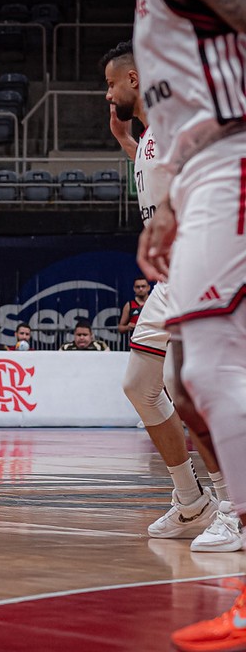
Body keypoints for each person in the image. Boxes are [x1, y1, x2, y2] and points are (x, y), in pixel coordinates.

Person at [113, 0, 246, 644]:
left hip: (233, 162)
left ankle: (225, 519)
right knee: (191, 377)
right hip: (202, 175)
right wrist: (162, 205)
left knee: (202, 370)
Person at [102, 39, 232, 550]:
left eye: (111, 83)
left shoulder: (182, 120)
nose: (108, 94)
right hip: (168, 279)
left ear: (135, 80)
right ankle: (192, 502)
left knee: (192, 390)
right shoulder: (155, 134)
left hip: (198, 267)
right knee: (140, 386)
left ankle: (232, 508)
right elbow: (157, 170)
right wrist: (126, 142)